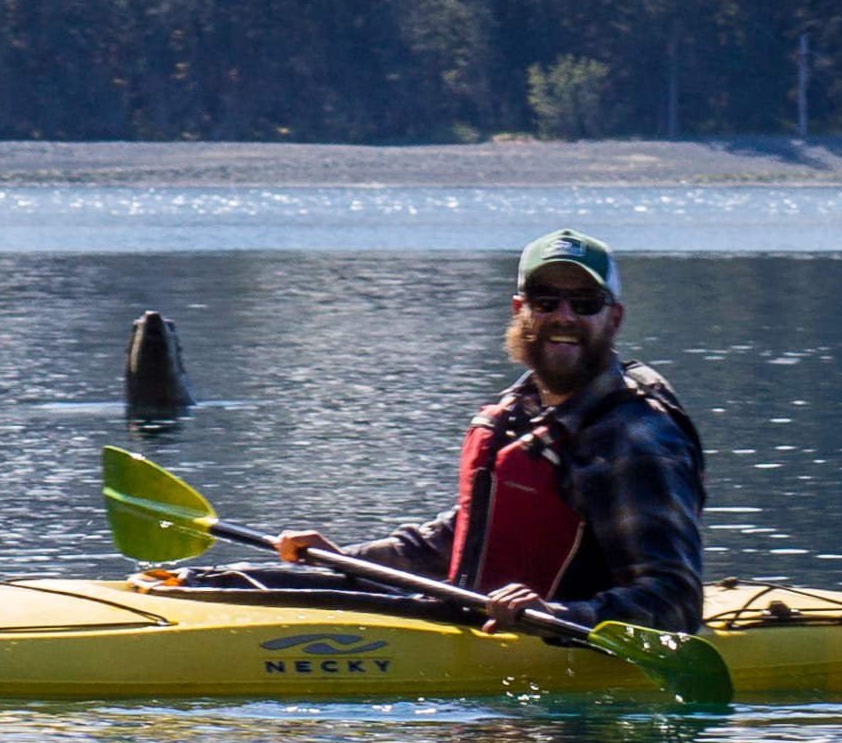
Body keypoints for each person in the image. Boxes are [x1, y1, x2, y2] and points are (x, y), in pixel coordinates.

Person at [276, 228, 705, 635]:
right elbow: (464, 535)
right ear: (521, 310)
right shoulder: (520, 412)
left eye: (585, 303)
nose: (564, 316)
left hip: (563, 659)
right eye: (546, 300)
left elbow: (676, 601)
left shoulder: (635, 440)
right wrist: (345, 561)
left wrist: (554, 616)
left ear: (614, 319)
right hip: (480, 627)